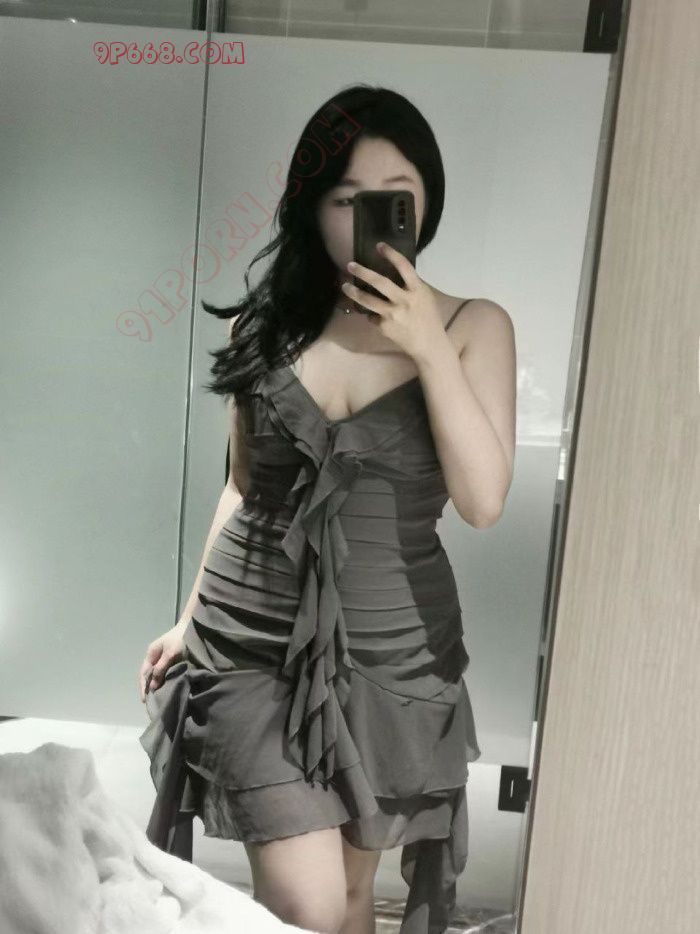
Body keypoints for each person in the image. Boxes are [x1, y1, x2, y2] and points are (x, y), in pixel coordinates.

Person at [137, 84, 516, 934]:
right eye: (347, 200)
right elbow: (242, 487)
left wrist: (426, 346)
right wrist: (189, 618)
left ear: (426, 205)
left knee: (348, 898)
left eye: (395, 199)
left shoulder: (473, 328)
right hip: (250, 641)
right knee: (304, 904)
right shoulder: (261, 326)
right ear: (311, 207)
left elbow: (483, 500)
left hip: (392, 657)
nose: (368, 219)